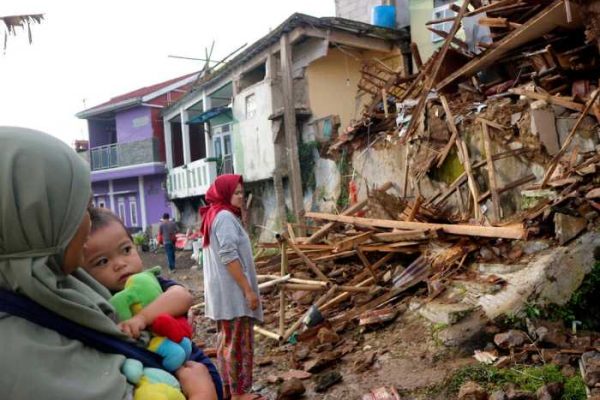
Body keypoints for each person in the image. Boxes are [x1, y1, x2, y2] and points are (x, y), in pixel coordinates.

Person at [0, 126, 217, 400]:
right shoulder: (22, 362)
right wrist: (203, 393)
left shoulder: (62, 283)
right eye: (79, 209)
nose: (89, 222)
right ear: (32, 224)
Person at [82, 207, 223, 397]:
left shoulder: (148, 282)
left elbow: (183, 296)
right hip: (150, 374)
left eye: (126, 250)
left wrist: (142, 318)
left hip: (187, 360)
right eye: (102, 261)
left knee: (212, 380)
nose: (120, 263)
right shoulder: (99, 301)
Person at [200, 174, 264, 400]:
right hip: (233, 294)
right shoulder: (225, 217)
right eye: (236, 193)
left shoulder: (214, 214)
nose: (240, 196)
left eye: (241, 192)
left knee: (226, 341)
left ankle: (229, 391)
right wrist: (248, 290)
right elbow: (229, 257)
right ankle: (239, 393)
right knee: (236, 343)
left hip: (223, 294)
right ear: (225, 193)